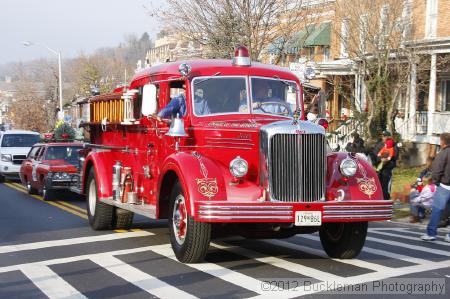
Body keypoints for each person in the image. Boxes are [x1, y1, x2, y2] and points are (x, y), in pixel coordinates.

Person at [421, 133, 450, 242]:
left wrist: (436, 181)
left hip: (444, 185)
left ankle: (431, 233)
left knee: (437, 210)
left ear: (442, 142)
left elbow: (437, 170)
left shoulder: (443, 154)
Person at [375, 131, 398, 200]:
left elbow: (395, 156)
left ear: (388, 137)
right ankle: (379, 199)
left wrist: (387, 159)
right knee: (378, 184)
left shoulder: (393, 145)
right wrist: (380, 159)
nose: (383, 137)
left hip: (388, 168)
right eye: (382, 136)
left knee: (387, 185)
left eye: (385, 136)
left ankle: (386, 199)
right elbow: (375, 155)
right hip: (379, 168)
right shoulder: (379, 145)